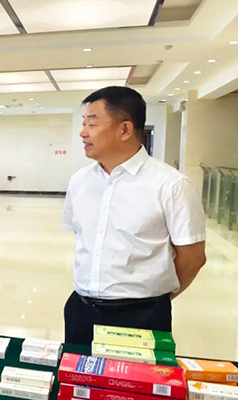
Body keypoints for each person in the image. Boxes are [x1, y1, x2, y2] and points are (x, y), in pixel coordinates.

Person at [62, 86, 206, 345]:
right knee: (78, 371)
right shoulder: (79, 181)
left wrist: (154, 298)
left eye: (92, 124)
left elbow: (193, 257)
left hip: (141, 316)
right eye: (83, 124)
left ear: (125, 130)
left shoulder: (171, 185)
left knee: (136, 375)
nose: (83, 132)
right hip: (81, 310)